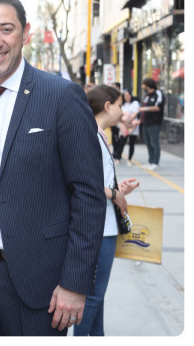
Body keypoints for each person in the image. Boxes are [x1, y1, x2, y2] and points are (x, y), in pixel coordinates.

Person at [0, 0, 106, 336]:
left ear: (26, 32)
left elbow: (89, 194)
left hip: (41, 284)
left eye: (6, 29)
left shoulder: (61, 96)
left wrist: (75, 282)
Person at [74, 85, 139, 336]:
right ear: (108, 106)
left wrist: (117, 190)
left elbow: (97, 182)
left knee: (96, 296)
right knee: (93, 297)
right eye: (120, 105)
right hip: (99, 228)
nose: (123, 111)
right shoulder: (91, 135)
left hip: (103, 225)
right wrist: (114, 193)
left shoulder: (97, 134)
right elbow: (80, 183)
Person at [138, 78, 164, 170]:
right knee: (148, 143)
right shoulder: (146, 95)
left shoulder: (158, 94)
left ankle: (155, 163)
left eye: (143, 84)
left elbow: (158, 107)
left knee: (154, 143)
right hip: (145, 123)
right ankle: (151, 161)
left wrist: (145, 109)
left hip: (154, 123)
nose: (142, 86)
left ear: (148, 85)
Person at [113, 90, 140, 166]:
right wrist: (125, 122)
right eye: (125, 95)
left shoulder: (135, 103)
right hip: (124, 126)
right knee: (121, 142)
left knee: (132, 143)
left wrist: (129, 121)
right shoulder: (122, 104)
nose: (127, 97)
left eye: (128, 95)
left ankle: (129, 159)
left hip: (133, 125)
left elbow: (135, 113)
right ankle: (118, 158)